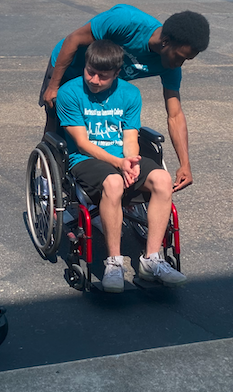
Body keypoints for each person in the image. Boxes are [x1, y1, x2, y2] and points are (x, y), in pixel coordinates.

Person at [56, 40, 187, 293]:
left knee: (161, 179)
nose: (94, 80)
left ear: (117, 74)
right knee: (113, 182)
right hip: (86, 160)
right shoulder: (69, 93)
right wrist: (118, 164)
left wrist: (132, 162)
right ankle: (114, 263)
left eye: (103, 76)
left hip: (121, 157)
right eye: (90, 72)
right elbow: (82, 143)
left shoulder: (129, 94)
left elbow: (129, 138)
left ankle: (151, 260)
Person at [40, 4, 210, 192]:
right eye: (179, 57)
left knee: (104, 129)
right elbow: (74, 39)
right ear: (166, 42)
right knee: (57, 125)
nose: (180, 64)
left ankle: (94, 189)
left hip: (107, 80)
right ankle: (47, 185)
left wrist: (185, 164)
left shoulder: (171, 66)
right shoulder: (126, 22)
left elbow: (175, 114)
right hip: (70, 65)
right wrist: (53, 86)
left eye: (186, 60)